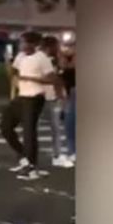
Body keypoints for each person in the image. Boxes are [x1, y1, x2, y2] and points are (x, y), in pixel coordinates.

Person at [1, 32, 60, 180]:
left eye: (23, 43)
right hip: (21, 97)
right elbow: (13, 74)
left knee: (29, 133)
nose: (21, 46)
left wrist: (29, 78)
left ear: (33, 44)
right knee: (5, 126)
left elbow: (52, 80)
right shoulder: (21, 57)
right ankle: (24, 157)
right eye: (20, 43)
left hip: (35, 98)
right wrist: (7, 63)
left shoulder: (42, 59)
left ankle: (31, 167)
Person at [40, 35, 71, 168]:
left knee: (55, 128)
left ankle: (55, 154)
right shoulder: (45, 61)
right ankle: (57, 155)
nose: (59, 49)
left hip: (45, 96)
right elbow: (55, 80)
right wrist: (62, 97)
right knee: (56, 128)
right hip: (49, 97)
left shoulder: (53, 60)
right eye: (56, 46)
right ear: (50, 47)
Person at [58, 42, 76, 166]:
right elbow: (63, 67)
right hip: (69, 94)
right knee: (69, 125)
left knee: (71, 124)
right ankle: (72, 152)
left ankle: (73, 152)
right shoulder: (63, 62)